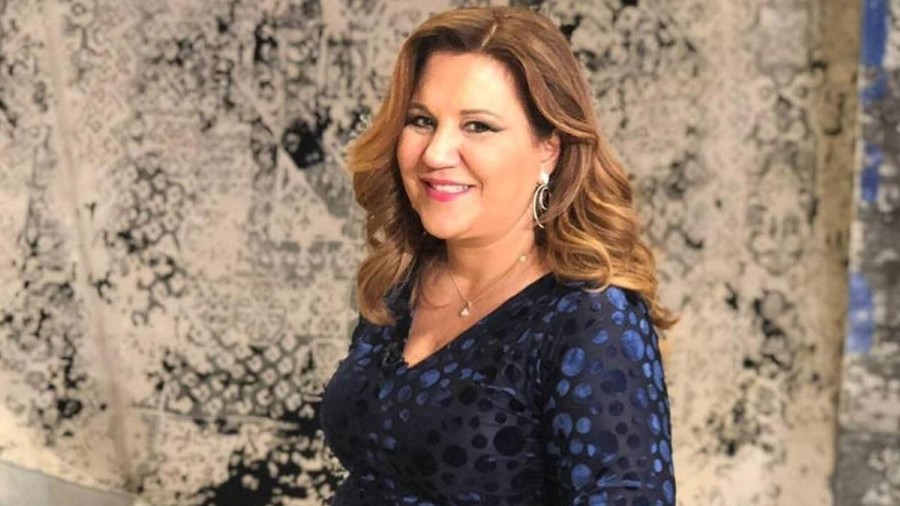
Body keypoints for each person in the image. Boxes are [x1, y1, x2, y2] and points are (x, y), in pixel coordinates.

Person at [319, 6, 679, 505]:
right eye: (422, 121)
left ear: (549, 147)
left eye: (478, 126)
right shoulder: (402, 281)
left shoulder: (591, 319)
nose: (435, 153)